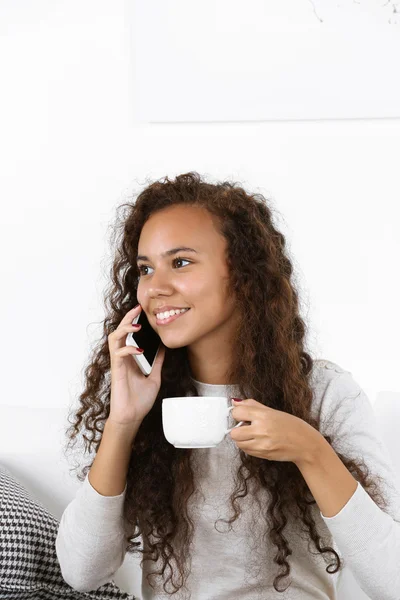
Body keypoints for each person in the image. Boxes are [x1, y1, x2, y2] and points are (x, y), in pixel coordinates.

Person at [56, 172, 400, 600]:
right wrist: (123, 422)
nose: (155, 288)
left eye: (180, 262)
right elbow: (81, 572)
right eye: (145, 268)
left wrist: (311, 451)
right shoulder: (147, 392)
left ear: (242, 275)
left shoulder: (327, 392)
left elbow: (393, 581)